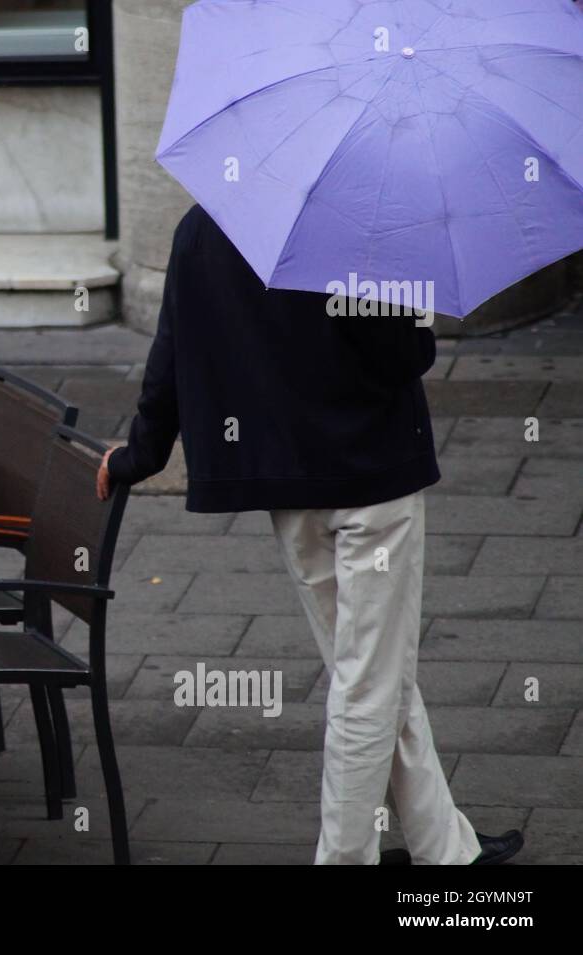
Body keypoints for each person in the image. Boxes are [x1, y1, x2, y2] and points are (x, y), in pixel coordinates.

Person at [96, 204, 523, 866]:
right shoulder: (360, 219)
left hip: (290, 491)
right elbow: (404, 354)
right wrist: (417, 307)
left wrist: (136, 457)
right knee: (368, 684)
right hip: (374, 483)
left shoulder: (203, 226)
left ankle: (447, 849)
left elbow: (170, 354)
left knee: (371, 673)